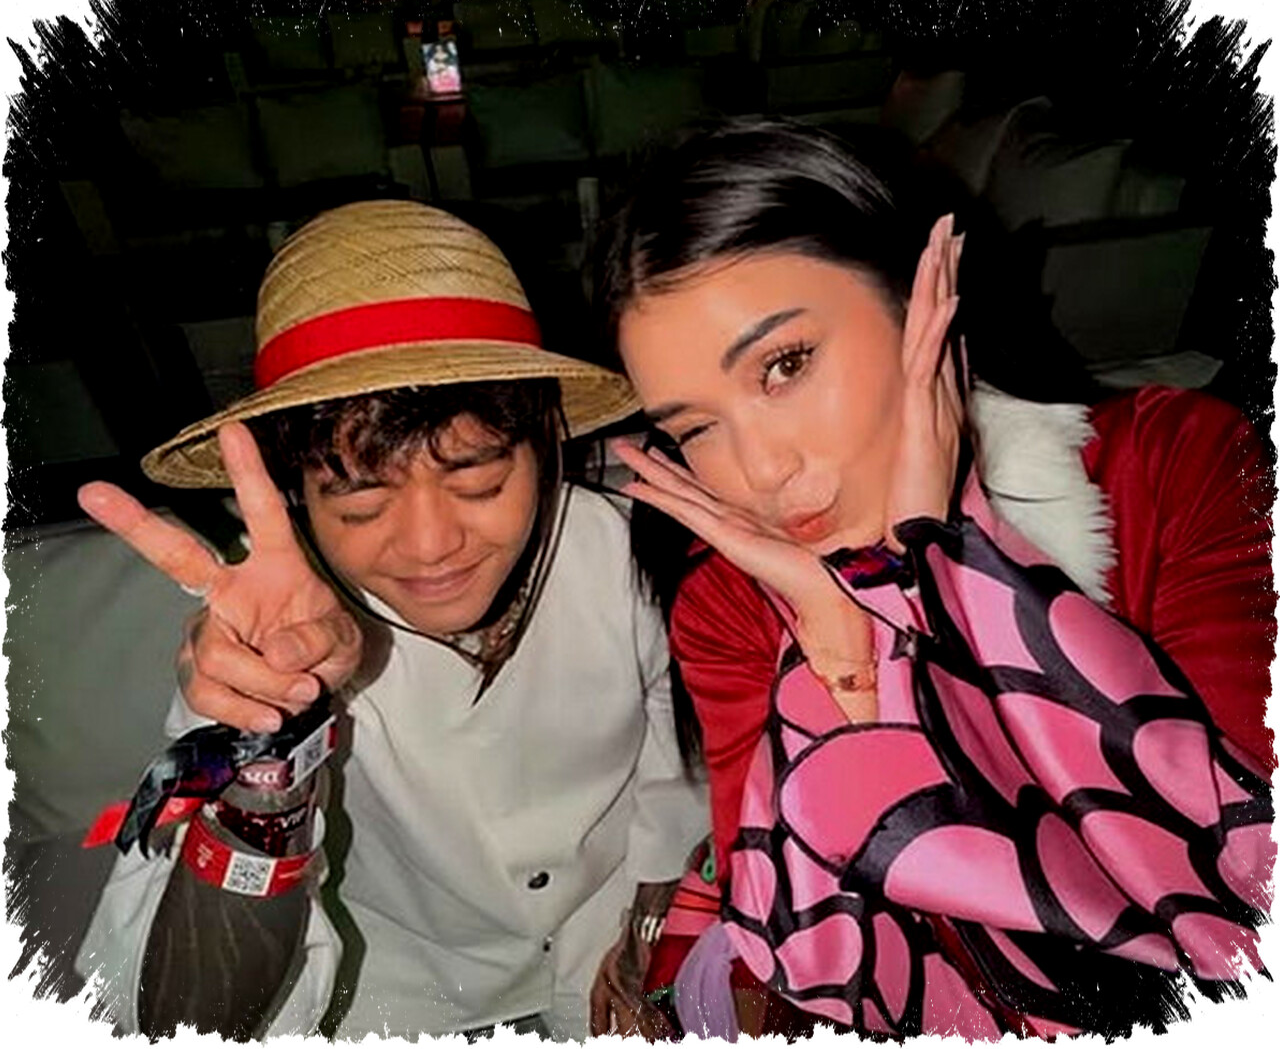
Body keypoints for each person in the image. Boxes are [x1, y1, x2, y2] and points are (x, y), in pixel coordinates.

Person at [593, 118, 1275, 1039]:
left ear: (919, 297)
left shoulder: (1174, 467)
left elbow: (1236, 916)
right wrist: (845, 651)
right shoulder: (732, 599)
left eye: (786, 365)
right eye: (696, 428)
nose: (760, 470)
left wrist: (944, 567)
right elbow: (821, 969)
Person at [73, 200, 707, 1041]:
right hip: (398, 1000)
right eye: (361, 499)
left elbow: (684, 784)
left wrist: (655, 935)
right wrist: (274, 747)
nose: (430, 544)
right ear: (296, 487)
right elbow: (181, 1017)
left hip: (613, 947)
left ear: (548, 441)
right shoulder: (267, 640)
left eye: (477, 476)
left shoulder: (635, 554)